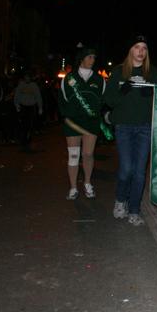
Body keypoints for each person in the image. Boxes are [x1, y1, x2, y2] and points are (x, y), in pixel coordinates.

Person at [104, 35, 157, 226]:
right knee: (127, 168)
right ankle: (120, 200)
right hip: (124, 126)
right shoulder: (119, 71)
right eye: (137, 47)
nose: (141, 51)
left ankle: (134, 210)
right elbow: (110, 100)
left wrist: (153, 94)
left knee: (139, 172)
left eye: (144, 47)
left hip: (145, 126)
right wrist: (122, 92)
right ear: (130, 50)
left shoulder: (152, 72)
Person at [58, 46, 106, 200]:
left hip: (91, 122)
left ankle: (87, 182)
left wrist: (98, 114)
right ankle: (73, 187)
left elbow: (103, 99)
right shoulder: (69, 78)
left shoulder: (99, 79)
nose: (92, 60)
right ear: (82, 58)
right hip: (73, 122)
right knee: (73, 155)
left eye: (94, 57)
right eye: (89, 57)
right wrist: (69, 114)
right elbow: (62, 100)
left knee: (88, 153)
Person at [13, 71, 43, 151]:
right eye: (25, 77)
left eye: (28, 77)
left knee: (28, 123)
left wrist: (40, 107)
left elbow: (38, 96)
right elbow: (17, 94)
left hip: (31, 107)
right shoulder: (21, 85)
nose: (27, 79)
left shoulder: (34, 86)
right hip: (23, 106)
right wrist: (16, 104)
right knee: (23, 124)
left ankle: (26, 141)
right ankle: (25, 140)